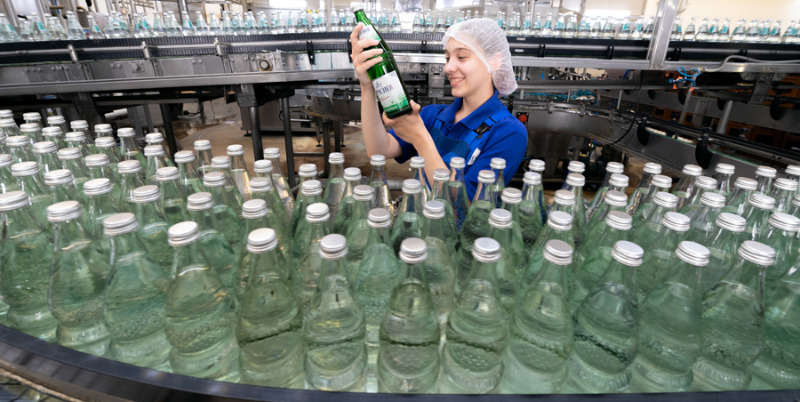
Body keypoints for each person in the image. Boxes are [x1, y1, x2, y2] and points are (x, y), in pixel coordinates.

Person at [350, 18, 528, 199]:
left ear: (495, 61)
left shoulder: (509, 132)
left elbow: (465, 204)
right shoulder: (433, 115)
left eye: (462, 57)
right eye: (447, 58)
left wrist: (420, 137)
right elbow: (380, 150)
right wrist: (367, 87)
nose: (448, 67)